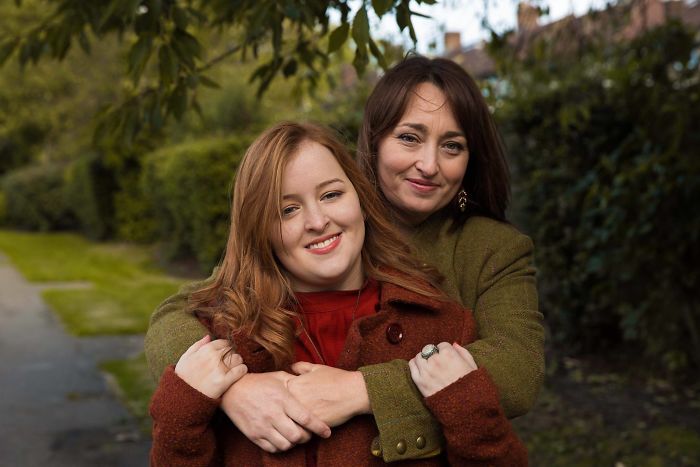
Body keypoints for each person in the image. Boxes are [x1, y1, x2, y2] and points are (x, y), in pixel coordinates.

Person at [145, 55, 544, 462]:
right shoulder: (325, 228)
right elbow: (181, 313)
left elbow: (517, 369)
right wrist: (230, 386)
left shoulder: (489, 250)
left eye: (452, 146)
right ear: (374, 143)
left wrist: (360, 389)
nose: (428, 165)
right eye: (409, 138)